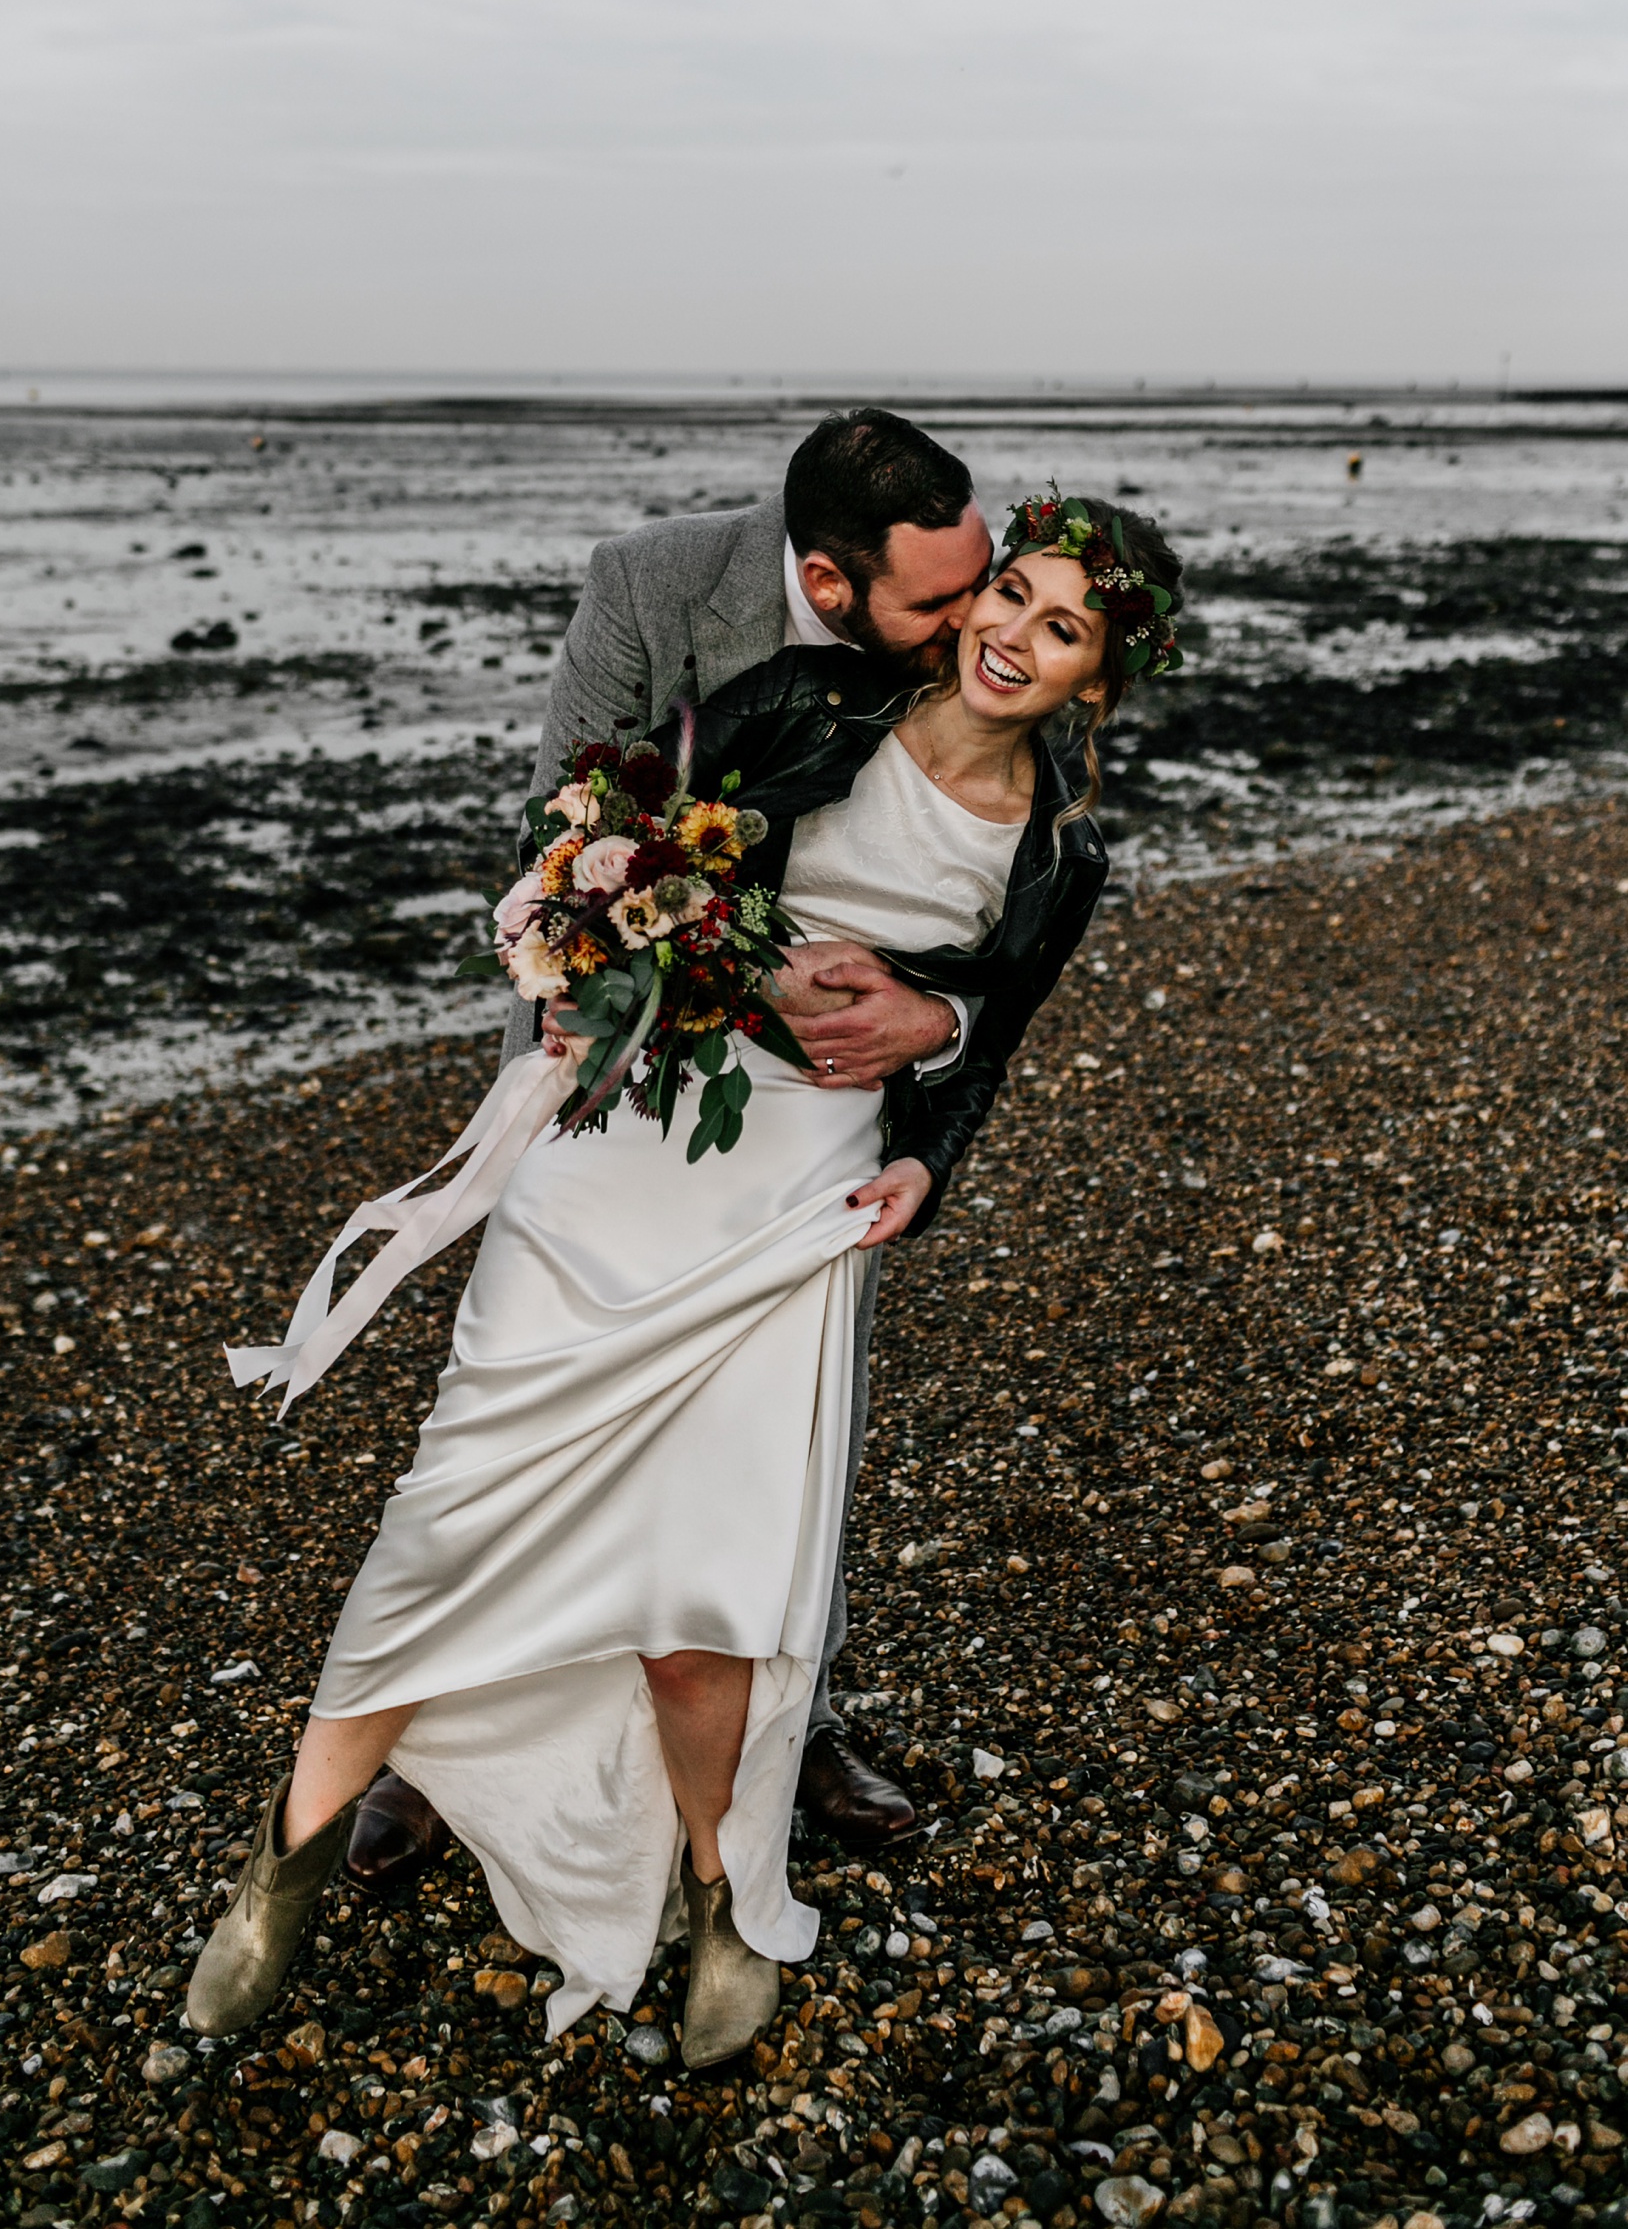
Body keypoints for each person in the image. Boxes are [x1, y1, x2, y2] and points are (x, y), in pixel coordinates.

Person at [185, 492, 1183, 2067]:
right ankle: (281, 1871)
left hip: (800, 1194)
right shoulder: (804, 700)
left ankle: (724, 1892)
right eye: (1013, 592)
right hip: (625, 1145)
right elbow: (620, 862)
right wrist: (713, 959)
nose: (1014, 632)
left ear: (1098, 678)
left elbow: (989, 1041)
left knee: (705, 1594)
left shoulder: (1064, 846)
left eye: (1064, 626)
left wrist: (935, 1106)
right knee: (449, 1512)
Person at [349, 408, 994, 1889]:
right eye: (938, 602)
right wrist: (736, 970)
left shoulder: (979, 645)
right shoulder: (649, 588)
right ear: (830, 585)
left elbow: (995, 919)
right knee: (532, 1416)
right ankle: (453, 1736)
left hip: (823, 1116)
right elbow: (562, 842)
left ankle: (788, 1717)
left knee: (780, 1432)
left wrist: (936, 1027)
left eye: (982, 586)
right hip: (620, 1070)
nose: (972, 625)